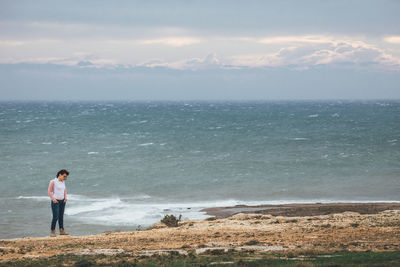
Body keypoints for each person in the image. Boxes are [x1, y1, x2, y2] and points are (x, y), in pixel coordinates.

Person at [48, 169, 69, 237]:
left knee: (61, 216)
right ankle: (52, 231)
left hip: (62, 201)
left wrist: (65, 198)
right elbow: (49, 192)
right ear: (60, 174)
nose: (65, 178)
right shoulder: (53, 181)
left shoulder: (63, 182)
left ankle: (61, 230)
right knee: (55, 217)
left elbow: (64, 190)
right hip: (56, 201)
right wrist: (53, 199)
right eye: (64, 176)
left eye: (66, 177)